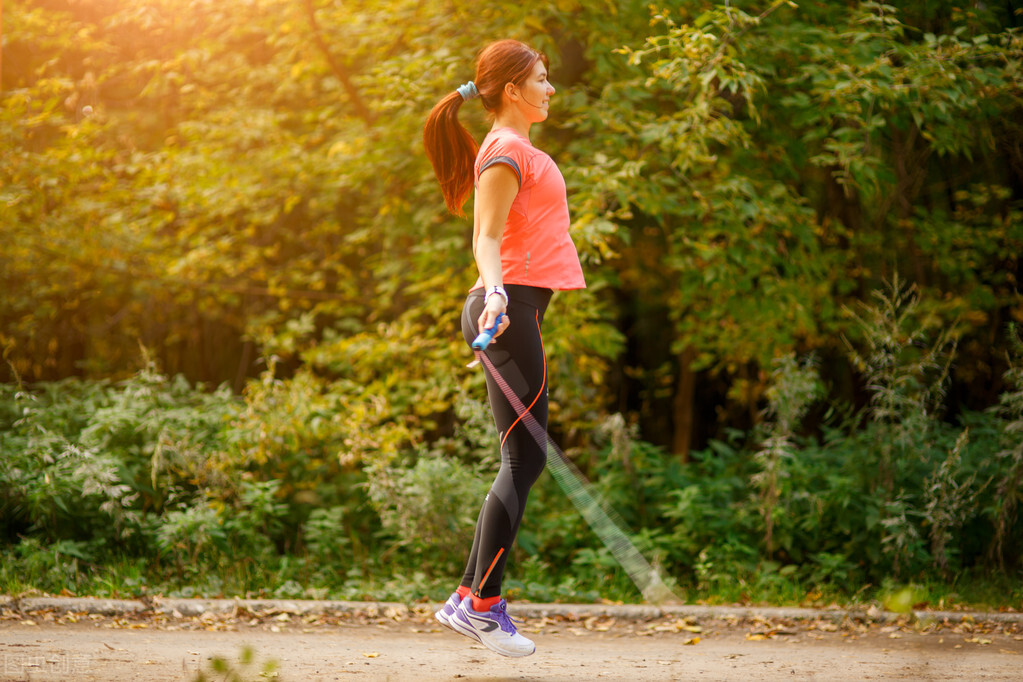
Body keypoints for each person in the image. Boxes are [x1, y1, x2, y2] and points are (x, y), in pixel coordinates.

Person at [422, 39, 586, 657]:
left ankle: (469, 599)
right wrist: (495, 296)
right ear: (512, 89)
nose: (551, 88)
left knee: (523, 457)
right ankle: (484, 606)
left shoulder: (518, 149)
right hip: (505, 310)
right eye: (542, 78)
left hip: (515, 310)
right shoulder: (507, 151)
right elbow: (485, 237)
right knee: (526, 458)